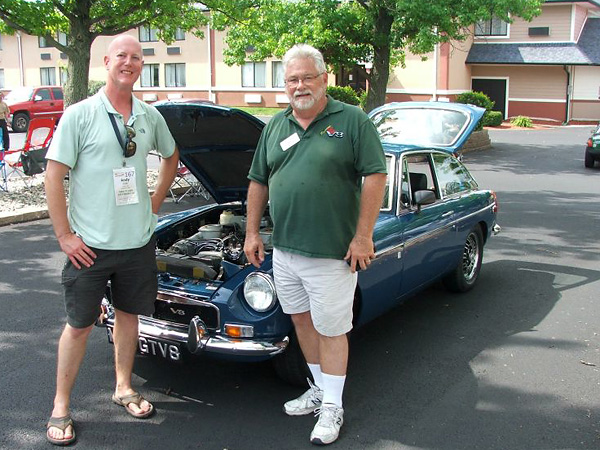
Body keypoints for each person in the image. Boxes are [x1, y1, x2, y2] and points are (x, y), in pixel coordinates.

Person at [244, 44, 387, 445]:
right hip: (285, 250)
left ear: (324, 79)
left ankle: (334, 407)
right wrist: (253, 232)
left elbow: (375, 176)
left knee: (332, 330)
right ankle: (320, 389)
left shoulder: (352, 121)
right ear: (285, 85)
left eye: (308, 77)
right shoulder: (275, 126)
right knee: (302, 322)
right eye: (292, 79)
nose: (300, 85)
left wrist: (363, 236)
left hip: (332, 253)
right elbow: (259, 180)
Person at [44, 34, 179, 446]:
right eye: (122, 55)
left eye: (136, 57)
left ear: (141, 66)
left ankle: (123, 388)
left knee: (127, 317)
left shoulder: (149, 116)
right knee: (79, 327)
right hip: (89, 248)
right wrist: (64, 235)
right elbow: (53, 175)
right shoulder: (81, 115)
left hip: (136, 243)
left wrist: (155, 202)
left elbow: (172, 157)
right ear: (106, 61)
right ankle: (61, 407)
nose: (129, 62)